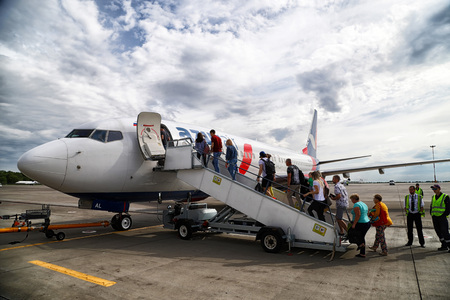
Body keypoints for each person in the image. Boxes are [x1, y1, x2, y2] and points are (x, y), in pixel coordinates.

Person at [349, 193, 371, 258]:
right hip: (367, 222)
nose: (351, 201)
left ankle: (360, 244)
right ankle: (362, 253)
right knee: (361, 237)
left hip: (361, 223)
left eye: (351, 200)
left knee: (350, 233)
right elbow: (368, 213)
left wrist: (354, 224)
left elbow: (358, 215)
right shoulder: (364, 204)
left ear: (354, 199)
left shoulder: (356, 205)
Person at [429, 184, 450, 252]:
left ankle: (449, 246)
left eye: (435, 189)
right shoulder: (433, 197)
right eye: (433, 189)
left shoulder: (445, 197)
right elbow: (432, 206)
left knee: (445, 232)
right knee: (438, 232)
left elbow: (448, 208)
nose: (434, 190)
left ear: (439, 189)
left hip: (442, 217)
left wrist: (444, 215)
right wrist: (431, 213)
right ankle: (444, 245)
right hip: (435, 217)